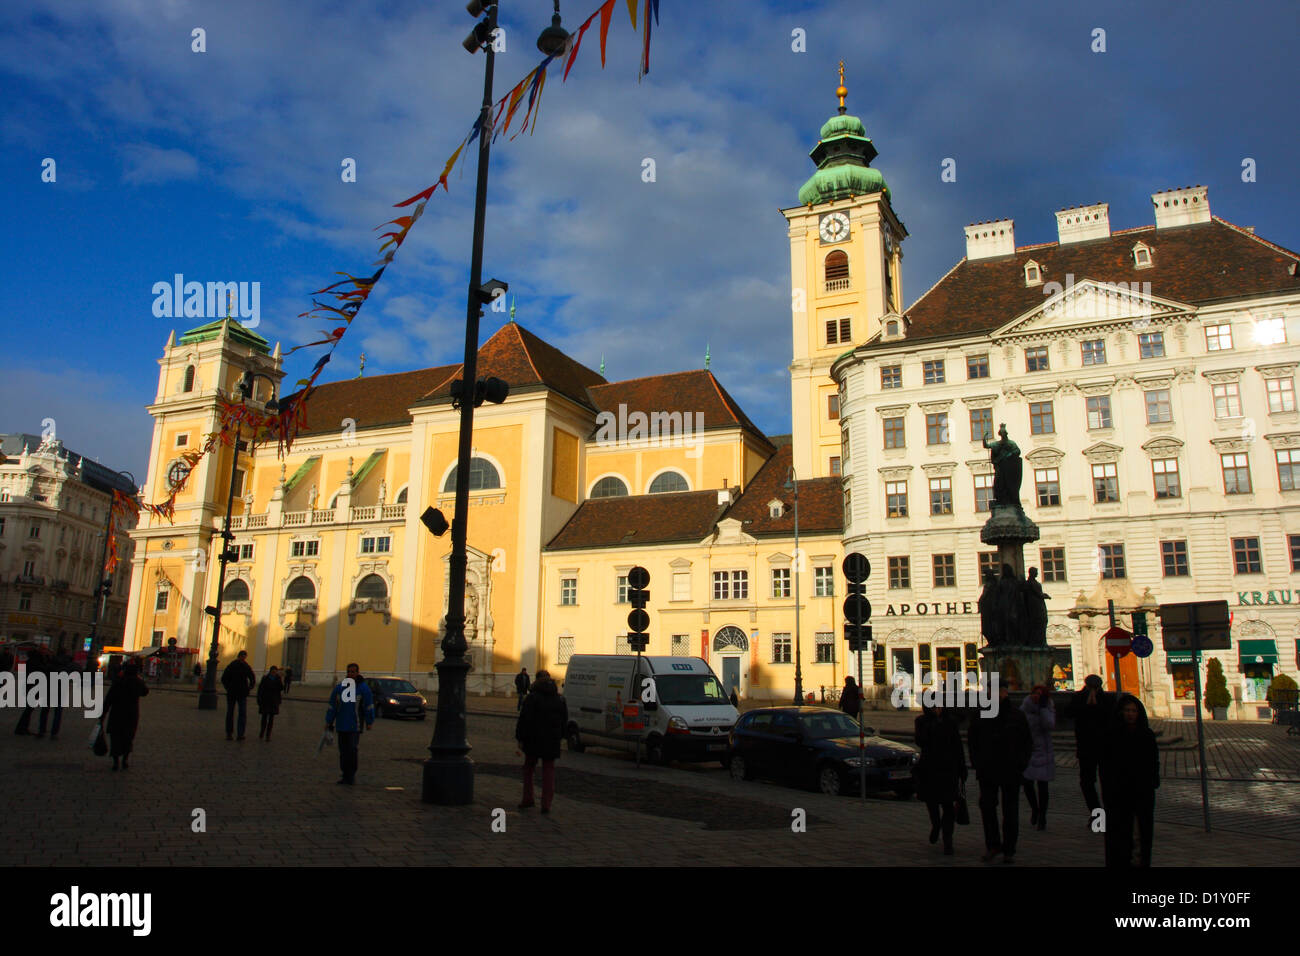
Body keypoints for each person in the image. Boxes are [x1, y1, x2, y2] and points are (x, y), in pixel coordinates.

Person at [968, 681, 1032, 864]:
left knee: (1010, 811)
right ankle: (993, 845)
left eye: (998, 692)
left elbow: (1027, 741)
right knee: (987, 809)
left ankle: (1009, 849)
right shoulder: (981, 714)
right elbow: (973, 741)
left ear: (1005, 693)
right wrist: (977, 763)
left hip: (1011, 769)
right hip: (987, 770)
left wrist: (1022, 763)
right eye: (990, 692)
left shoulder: (1016, 715)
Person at [1101, 694, 1159, 867]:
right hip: (1118, 792)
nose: (1130, 714)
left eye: (1134, 710)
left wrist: (1153, 781)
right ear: (1120, 712)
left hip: (1142, 791)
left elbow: (1153, 761)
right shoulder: (1111, 734)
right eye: (1127, 710)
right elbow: (1105, 763)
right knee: (1119, 832)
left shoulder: (1146, 735)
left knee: (1141, 832)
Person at [915, 702, 967, 855]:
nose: (937, 710)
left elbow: (958, 746)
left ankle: (947, 840)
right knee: (932, 803)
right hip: (929, 769)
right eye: (933, 707)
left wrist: (962, 769)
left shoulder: (950, 722)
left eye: (939, 706)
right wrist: (932, 724)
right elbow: (920, 741)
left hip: (948, 769)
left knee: (948, 806)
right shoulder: (922, 721)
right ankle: (936, 825)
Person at [515, 669, 568, 813]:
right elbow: (564, 721)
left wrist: (520, 738)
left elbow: (524, 720)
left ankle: (528, 798)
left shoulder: (532, 698)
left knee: (528, 768)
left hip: (533, 739)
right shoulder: (559, 699)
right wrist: (561, 736)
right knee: (549, 770)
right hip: (552, 740)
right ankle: (546, 804)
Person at [1066, 674, 1114, 818]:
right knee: (1087, 783)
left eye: (1095, 688)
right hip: (1086, 748)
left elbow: (1110, 717)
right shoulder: (1079, 698)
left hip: (1104, 748)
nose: (1093, 690)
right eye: (1091, 687)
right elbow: (1068, 713)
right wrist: (1085, 704)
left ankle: (1108, 813)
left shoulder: (1106, 699)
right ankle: (1097, 813)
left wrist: (1096, 704)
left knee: (1107, 783)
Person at [325, 663, 374, 785]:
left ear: (357, 673)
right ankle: (344, 774)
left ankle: (351, 774)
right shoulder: (340, 688)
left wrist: (369, 721)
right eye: (349, 672)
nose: (351, 674)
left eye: (353, 672)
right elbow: (333, 706)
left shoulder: (363, 688)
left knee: (352, 750)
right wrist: (329, 720)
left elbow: (368, 706)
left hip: (354, 725)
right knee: (343, 751)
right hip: (341, 724)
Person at [102, 662, 150, 771]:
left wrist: (103, 715)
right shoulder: (138, 682)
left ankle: (115, 762)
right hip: (131, 714)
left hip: (117, 713)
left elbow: (109, 699)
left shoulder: (118, 681)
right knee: (128, 737)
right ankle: (125, 760)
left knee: (115, 737)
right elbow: (145, 692)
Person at [1021, 684, 1056, 830]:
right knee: (1027, 784)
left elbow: (1050, 725)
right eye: (1034, 693)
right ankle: (1035, 808)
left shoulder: (1047, 708)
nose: (1036, 696)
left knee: (1043, 786)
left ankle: (1042, 816)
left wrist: (1042, 709)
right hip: (1028, 750)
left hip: (1043, 751)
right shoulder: (1025, 707)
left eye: (1040, 694)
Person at [37, 647, 74, 740]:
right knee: (58, 712)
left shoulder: (51, 662)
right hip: (61, 689)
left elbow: (44, 675)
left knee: (45, 711)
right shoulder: (68, 664)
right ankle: (54, 733)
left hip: (49, 688)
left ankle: (41, 731)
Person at [220, 650, 256, 741]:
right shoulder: (234, 665)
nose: (244, 658)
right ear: (239, 656)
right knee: (232, 713)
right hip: (234, 692)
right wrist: (229, 687)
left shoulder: (244, 666)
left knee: (239, 713)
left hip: (239, 692)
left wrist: (250, 687)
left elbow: (252, 677)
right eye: (243, 656)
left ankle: (239, 733)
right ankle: (230, 733)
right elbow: (224, 678)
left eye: (245, 657)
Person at [256, 666, 284, 741]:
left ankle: (268, 734)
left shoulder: (277, 679)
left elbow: (281, 688)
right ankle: (262, 731)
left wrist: (280, 679)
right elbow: (260, 690)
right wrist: (259, 700)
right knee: (264, 718)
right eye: (273, 671)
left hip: (274, 701)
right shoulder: (265, 678)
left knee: (271, 719)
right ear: (271, 671)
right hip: (265, 701)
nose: (274, 673)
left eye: (275, 672)